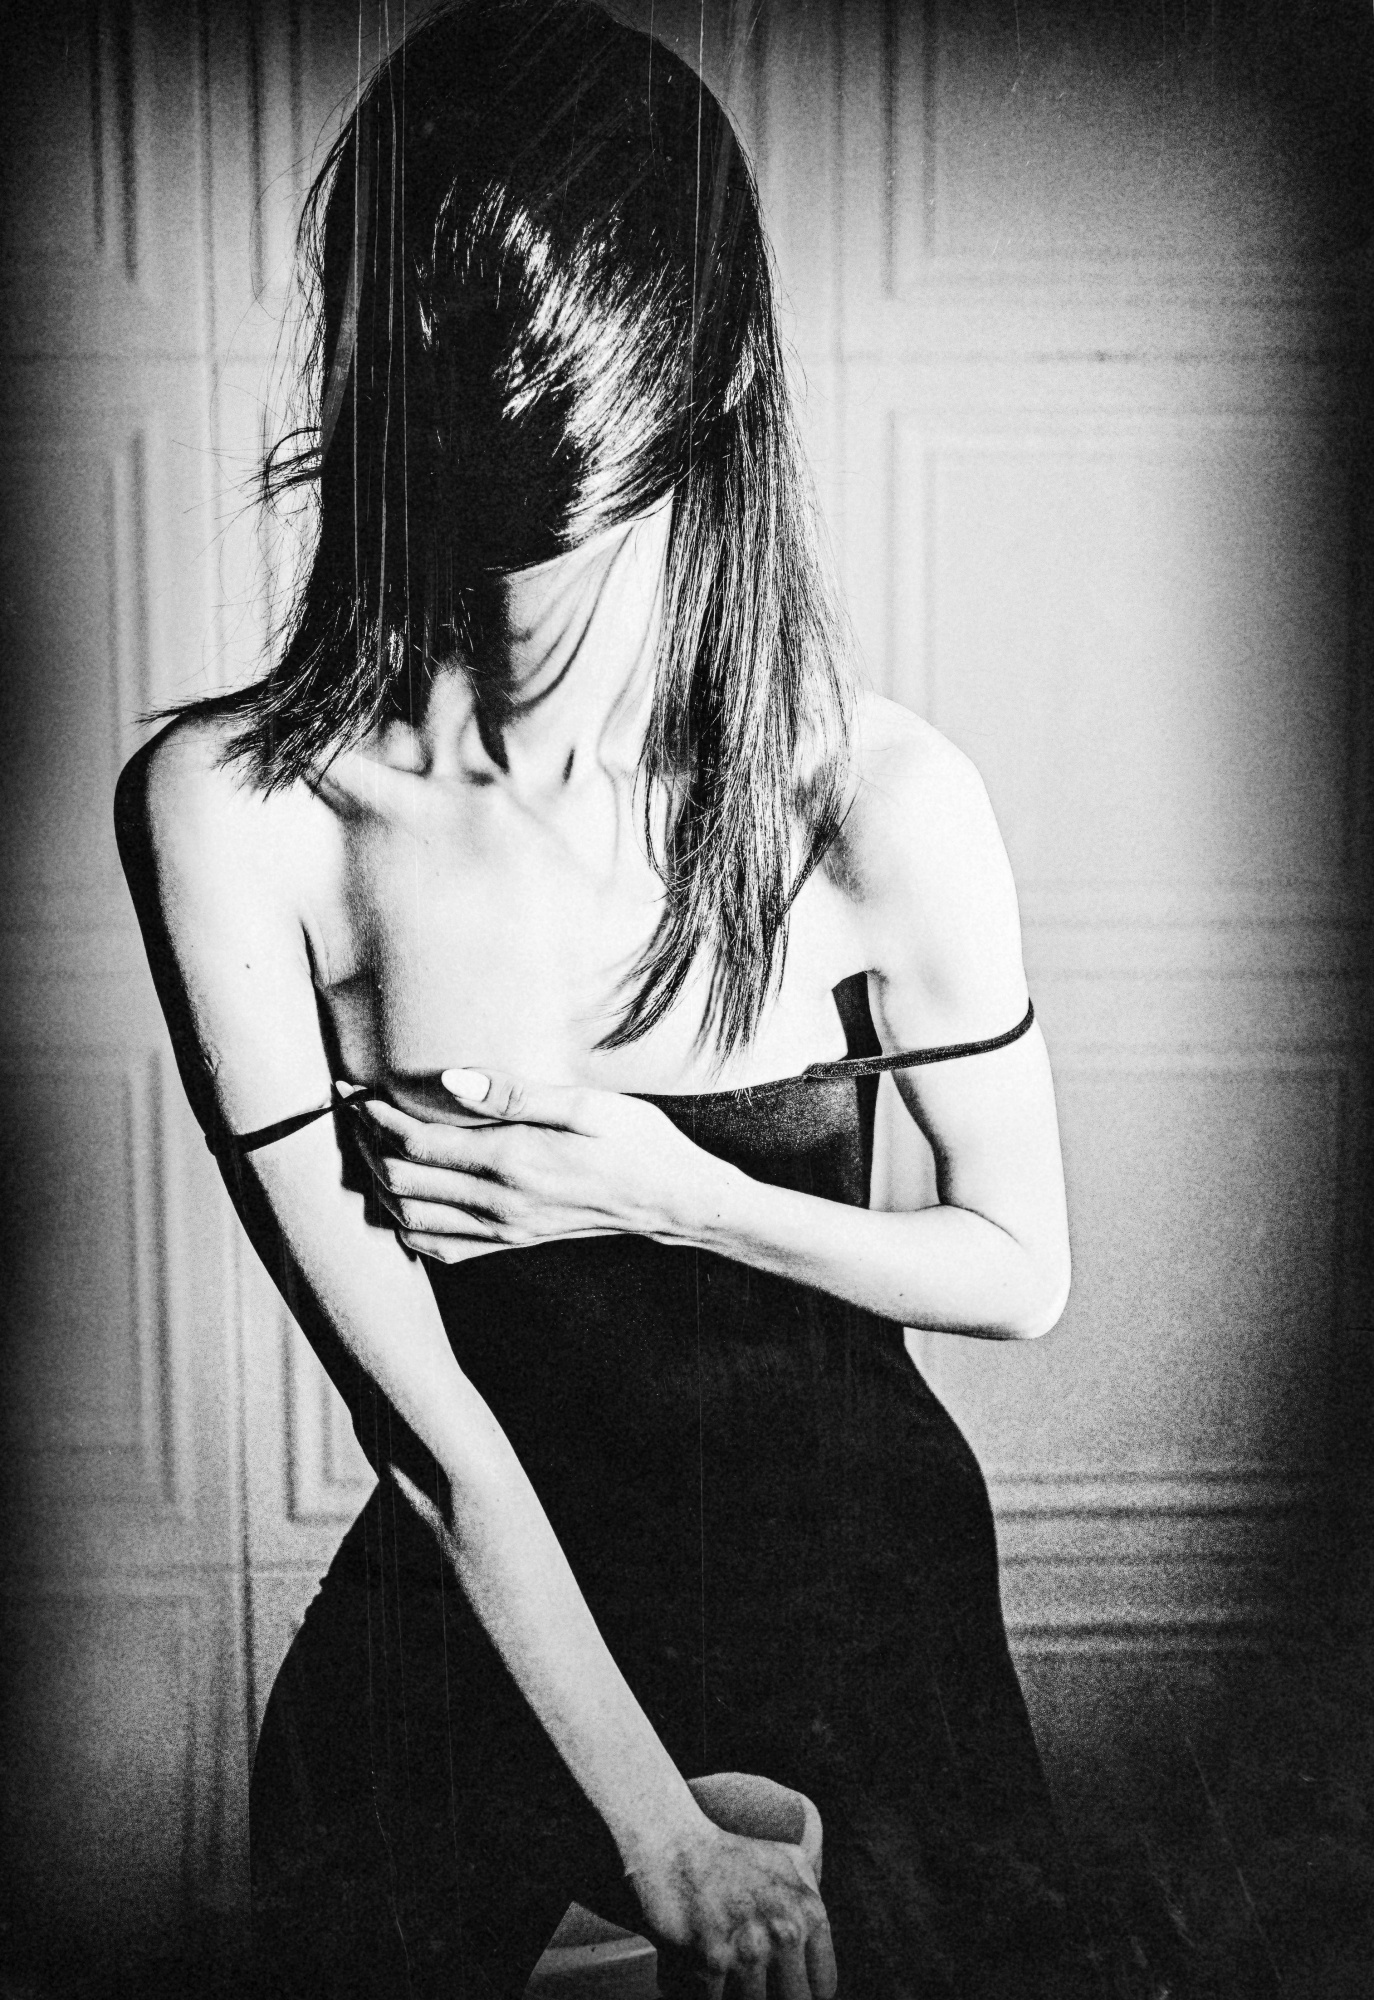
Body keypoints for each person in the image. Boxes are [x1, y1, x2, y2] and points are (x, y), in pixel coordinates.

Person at [116, 3, 1081, 1993]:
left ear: (707, 361)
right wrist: (659, 1832)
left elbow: (1019, 1272)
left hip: (854, 1606)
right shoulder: (240, 810)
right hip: (485, 1622)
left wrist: (673, 1192)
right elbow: (430, 1435)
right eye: (447, 343)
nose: (506, 413)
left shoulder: (871, 795)